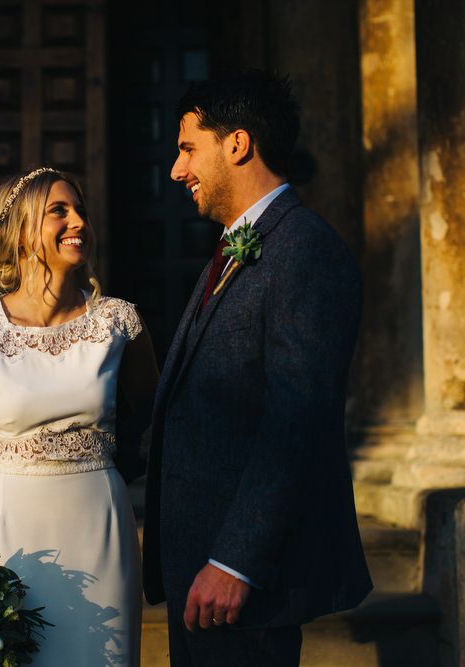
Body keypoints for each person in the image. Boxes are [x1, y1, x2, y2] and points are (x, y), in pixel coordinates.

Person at [142, 70, 373, 666]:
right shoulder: (237, 243)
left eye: (188, 148)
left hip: (238, 582)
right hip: (200, 571)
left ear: (237, 144)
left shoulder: (303, 249)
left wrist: (234, 560)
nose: (176, 170)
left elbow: (297, 420)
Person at [0, 167, 158, 666]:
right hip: (9, 532)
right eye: (59, 210)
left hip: (100, 527)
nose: (78, 220)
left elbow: (158, 414)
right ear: (18, 231)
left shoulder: (119, 322)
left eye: (79, 209)